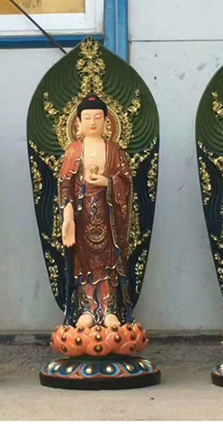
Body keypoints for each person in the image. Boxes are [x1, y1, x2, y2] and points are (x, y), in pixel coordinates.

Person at [60, 94, 133, 329]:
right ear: (78, 123)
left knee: (109, 260)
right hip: (82, 216)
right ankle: (86, 309)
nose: (93, 122)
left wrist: (107, 182)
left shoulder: (114, 150)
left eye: (98, 117)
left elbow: (126, 181)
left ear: (106, 121)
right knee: (84, 263)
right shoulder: (74, 150)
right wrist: (68, 217)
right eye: (88, 117)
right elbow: (65, 186)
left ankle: (110, 309)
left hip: (108, 215)